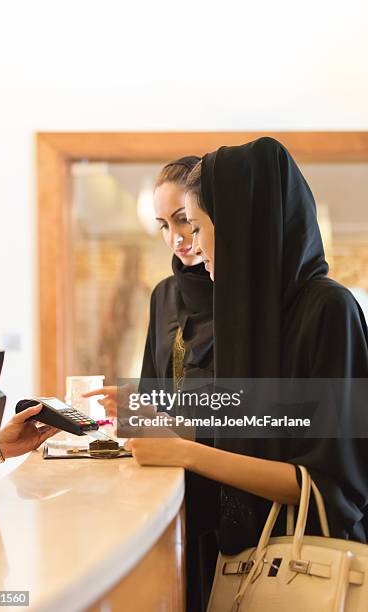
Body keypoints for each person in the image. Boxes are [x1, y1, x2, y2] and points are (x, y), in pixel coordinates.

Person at [121, 138, 368, 572]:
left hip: (307, 571)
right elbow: (253, 431)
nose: (191, 246)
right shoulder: (244, 316)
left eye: (196, 227)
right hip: (240, 563)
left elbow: (329, 486)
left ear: (236, 225)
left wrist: (184, 451)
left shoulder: (329, 310)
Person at [85, 157, 220, 611]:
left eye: (184, 221)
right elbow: (152, 388)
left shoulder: (245, 295)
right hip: (170, 486)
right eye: (164, 225)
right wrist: (128, 408)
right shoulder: (164, 294)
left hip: (229, 481)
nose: (176, 238)